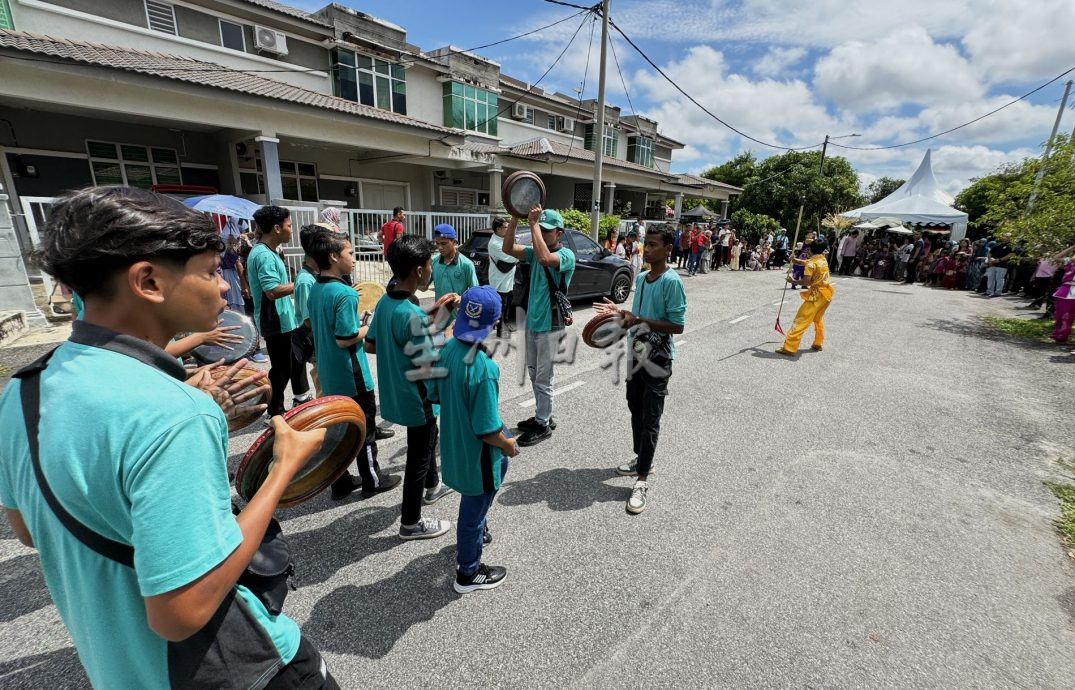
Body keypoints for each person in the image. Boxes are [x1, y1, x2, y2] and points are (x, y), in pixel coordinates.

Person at [0, 186, 338, 689]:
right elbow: (182, 611)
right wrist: (283, 467)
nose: (224, 288)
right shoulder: (173, 414)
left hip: (122, 670)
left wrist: (184, 392)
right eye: (207, 272)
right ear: (148, 281)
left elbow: (29, 529)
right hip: (232, 670)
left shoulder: (24, 389)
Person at [428, 285, 520, 593]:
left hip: (455, 443)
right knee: (472, 511)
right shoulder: (484, 368)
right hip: (477, 453)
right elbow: (487, 431)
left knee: (474, 506)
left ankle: (476, 533)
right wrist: (509, 445)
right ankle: (468, 573)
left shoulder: (447, 350)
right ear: (495, 324)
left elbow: (433, 393)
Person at [365, 234, 453, 540]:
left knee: (427, 442)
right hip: (419, 397)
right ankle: (411, 522)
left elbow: (371, 344)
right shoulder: (412, 313)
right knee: (419, 453)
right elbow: (432, 355)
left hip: (397, 392)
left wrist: (437, 313)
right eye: (430, 264)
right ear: (419, 269)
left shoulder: (387, 301)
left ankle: (434, 486)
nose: (432, 270)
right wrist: (448, 326)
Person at [594, 225, 686, 515]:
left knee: (651, 417)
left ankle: (643, 479)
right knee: (634, 406)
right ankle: (640, 458)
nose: (647, 249)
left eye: (655, 245)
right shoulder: (644, 278)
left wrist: (638, 319)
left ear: (668, 249)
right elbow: (635, 318)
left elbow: (677, 325)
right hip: (636, 355)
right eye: (646, 244)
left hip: (658, 360)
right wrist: (621, 315)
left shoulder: (672, 281)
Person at [306, 230, 402, 501]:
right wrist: (367, 327)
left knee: (340, 432)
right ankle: (372, 479)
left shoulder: (316, 288)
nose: (355, 259)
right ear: (334, 256)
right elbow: (345, 338)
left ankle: (341, 482)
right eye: (350, 253)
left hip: (329, 373)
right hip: (352, 375)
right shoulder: (345, 293)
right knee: (365, 429)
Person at [501, 206, 576, 447]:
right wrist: (514, 218)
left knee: (543, 377)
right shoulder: (535, 252)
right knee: (534, 373)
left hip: (550, 325)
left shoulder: (566, 257)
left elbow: (545, 258)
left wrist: (533, 223)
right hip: (532, 321)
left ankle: (543, 424)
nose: (542, 234)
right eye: (540, 229)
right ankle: (543, 415)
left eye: (547, 231)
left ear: (560, 233)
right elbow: (508, 249)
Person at [249, 205, 312, 417]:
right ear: (276, 228)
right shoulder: (263, 255)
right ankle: (274, 412)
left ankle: (300, 398)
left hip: (284, 319)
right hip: (274, 321)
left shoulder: (269, 252)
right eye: (289, 225)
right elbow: (272, 291)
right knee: (281, 368)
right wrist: (302, 282)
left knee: (294, 361)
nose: (291, 230)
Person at [776, 238, 835, 356]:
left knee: (801, 320)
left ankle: (789, 347)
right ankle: (818, 342)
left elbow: (806, 282)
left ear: (810, 250)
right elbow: (806, 262)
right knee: (817, 319)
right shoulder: (822, 259)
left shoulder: (811, 264)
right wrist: (794, 260)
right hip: (827, 294)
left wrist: (793, 281)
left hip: (816, 296)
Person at [291, 225, 321, 402]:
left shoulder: (312, 277)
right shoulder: (305, 281)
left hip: (317, 337)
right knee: (322, 382)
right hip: (312, 339)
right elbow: (308, 319)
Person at [430, 224, 479, 327]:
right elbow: (423, 285)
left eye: (444, 243)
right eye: (437, 243)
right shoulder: (434, 262)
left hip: (458, 320)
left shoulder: (466, 264)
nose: (439, 247)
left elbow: (475, 293)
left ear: (454, 242)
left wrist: (461, 298)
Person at [487, 216, 518, 339]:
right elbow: (510, 257)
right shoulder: (494, 243)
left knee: (508, 302)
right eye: (506, 227)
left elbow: (514, 252)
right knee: (501, 305)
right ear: (499, 229)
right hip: (499, 279)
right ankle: (500, 329)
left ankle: (505, 324)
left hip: (508, 278)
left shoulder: (504, 239)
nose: (508, 229)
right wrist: (520, 255)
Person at [985, 233, 1013, 297]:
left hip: (1002, 265)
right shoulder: (997, 244)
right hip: (992, 264)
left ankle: (998, 292)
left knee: (999, 279)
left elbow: (1010, 254)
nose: (1005, 237)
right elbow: (990, 253)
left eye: (1007, 236)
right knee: (990, 278)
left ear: (1011, 238)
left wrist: (1000, 260)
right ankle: (989, 291)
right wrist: (990, 260)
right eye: (1004, 236)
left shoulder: (1011, 246)